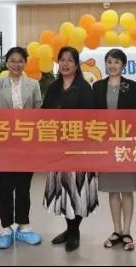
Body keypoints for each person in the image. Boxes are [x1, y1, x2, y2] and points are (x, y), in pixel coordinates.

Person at [42, 46, 98, 253]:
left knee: (78, 190)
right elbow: (44, 114)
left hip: (80, 148)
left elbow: (91, 118)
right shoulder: (53, 87)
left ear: (76, 65)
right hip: (58, 148)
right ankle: (69, 229)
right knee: (63, 190)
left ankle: (75, 232)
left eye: (70, 60)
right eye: (62, 60)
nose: (65, 64)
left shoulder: (84, 88)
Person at [0, 47, 43, 249]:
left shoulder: (33, 84)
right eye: (12, 60)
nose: (16, 64)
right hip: (4, 143)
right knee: (4, 187)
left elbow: (38, 112)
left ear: (25, 63)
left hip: (26, 144)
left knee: (23, 187)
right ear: (6, 63)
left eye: (20, 61)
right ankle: (6, 228)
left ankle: (23, 226)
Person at [93, 49, 136, 252]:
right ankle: (117, 230)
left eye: (116, 62)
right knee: (112, 190)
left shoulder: (132, 87)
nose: (112, 66)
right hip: (105, 145)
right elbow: (92, 115)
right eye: (109, 62)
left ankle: (127, 231)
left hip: (127, 144)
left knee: (127, 189)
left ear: (123, 65)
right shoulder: (97, 86)